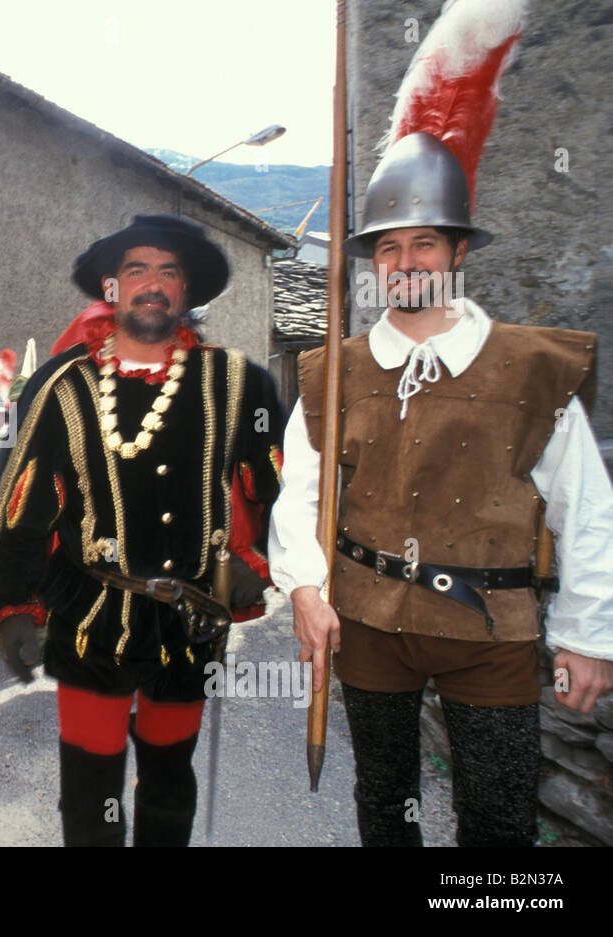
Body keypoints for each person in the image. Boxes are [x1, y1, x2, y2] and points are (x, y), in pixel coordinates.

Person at [268, 0, 613, 847]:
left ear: (459, 251)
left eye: (425, 244)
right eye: (389, 248)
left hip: (491, 631)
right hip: (369, 623)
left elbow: (585, 507)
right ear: (374, 262)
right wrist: (307, 589)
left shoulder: (532, 367)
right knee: (384, 807)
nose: (405, 263)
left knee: (497, 823)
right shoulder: (332, 372)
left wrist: (587, 634)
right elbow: (299, 493)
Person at [0, 214, 286, 845]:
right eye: (135, 270)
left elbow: (281, 486)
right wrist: (10, 607)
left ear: (186, 290)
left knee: (170, 785)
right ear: (111, 289)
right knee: (89, 795)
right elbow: (21, 499)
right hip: (89, 618)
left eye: (168, 271)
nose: (151, 283)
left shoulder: (239, 381)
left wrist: (264, 567)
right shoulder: (61, 385)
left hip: (191, 620)